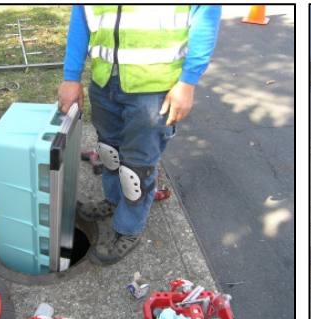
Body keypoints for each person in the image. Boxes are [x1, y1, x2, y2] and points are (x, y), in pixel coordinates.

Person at [58, 5, 221, 266]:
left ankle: (128, 228)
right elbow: (81, 15)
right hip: (103, 81)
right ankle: (113, 201)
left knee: (137, 170)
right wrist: (71, 76)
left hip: (154, 87)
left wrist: (188, 81)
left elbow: (206, 14)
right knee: (109, 153)